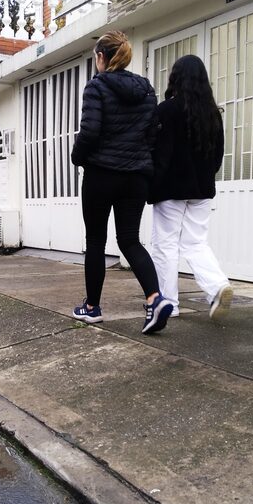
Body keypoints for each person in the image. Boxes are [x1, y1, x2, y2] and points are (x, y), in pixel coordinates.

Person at [70, 30, 172, 335]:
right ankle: (155, 299)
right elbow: (152, 135)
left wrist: (77, 157)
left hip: (101, 174)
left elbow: (90, 131)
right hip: (136, 177)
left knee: (96, 241)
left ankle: (92, 308)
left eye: (94, 57)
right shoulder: (146, 90)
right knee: (129, 240)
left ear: (101, 57)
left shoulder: (97, 86)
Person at [149, 54, 233, 320]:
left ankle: (169, 304)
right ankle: (217, 285)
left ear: (176, 77)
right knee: (196, 243)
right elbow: (217, 156)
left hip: (171, 191)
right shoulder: (213, 115)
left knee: (165, 246)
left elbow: (160, 156)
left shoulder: (166, 111)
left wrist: (150, 188)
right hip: (201, 190)